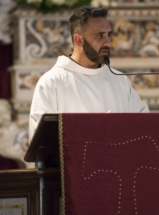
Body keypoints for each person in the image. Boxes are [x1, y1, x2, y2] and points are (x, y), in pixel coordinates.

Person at [29, 6, 149, 142]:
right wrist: (94, 129)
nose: (108, 43)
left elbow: (145, 130)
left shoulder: (120, 81)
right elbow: (42, 143)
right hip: (73, 163)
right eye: (100, 36)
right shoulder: (52, 82)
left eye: (109, 35)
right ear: (79, 40)